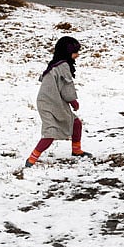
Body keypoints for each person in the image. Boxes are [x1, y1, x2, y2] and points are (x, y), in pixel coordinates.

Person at [25, 36, 91, 168]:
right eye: (75, 52)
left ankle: (76, 150)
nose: (77, 55)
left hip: (54, 101)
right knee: (50, 132)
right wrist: (73, 101)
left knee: (76, 123)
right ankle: (32, 158)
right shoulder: (63, 66)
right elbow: (67, 87)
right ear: (67, 52)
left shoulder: (56, 63)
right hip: (50, 103)